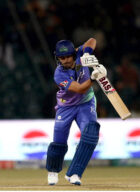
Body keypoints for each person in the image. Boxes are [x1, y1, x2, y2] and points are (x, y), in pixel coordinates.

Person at [46, 38, 107, 185]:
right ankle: (53, 170)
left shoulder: (80, 54)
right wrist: (94, 77)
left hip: (86, 104)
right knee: (59, 141)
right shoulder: (59, 74)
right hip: (65, 107)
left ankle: (74, 173)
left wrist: (86, 53)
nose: (65, 60)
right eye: (61, 58)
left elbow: (92, 40)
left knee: (91, 134)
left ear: (74, 54)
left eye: (67, 56)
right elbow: (79, 89)